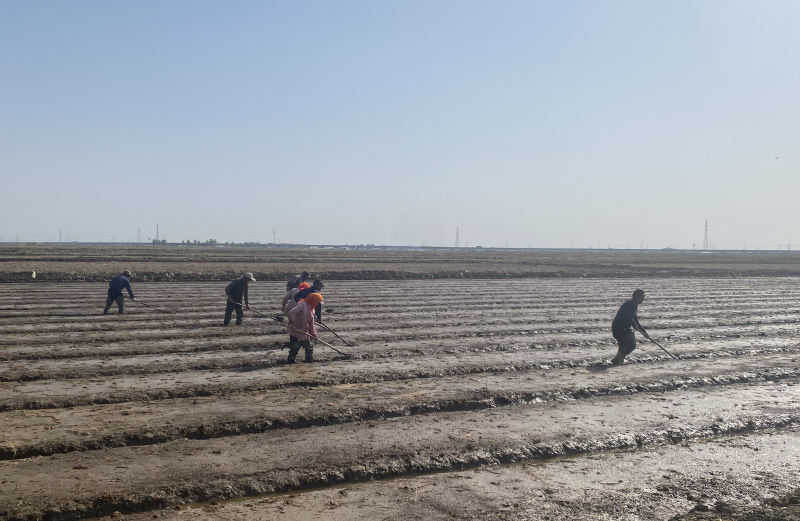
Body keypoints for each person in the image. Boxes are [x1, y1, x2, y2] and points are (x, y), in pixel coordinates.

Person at [611, 289, 651, 365]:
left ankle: (619, 361)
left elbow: (635, 320)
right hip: (620, 328)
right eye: (641, 297)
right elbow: (628, 317)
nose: (642, 299)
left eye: (643, 297)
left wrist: (644, 333)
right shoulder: (631, 305)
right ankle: (616, 360)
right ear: (636, 296)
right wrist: (634, 324)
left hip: (617, 327)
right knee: (631, 345)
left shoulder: (633, 304)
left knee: (623, 346)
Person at [287, 292, 323, 363]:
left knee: (309, 348)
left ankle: (309, 360)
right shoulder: (302, 305)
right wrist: (292, 322)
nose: (318, 304)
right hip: (296, 330)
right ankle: (290, 361)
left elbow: (311, 324)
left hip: (305, 332)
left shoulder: (312, 310)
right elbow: (291, 312)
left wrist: (314, 334)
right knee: (294, 348)